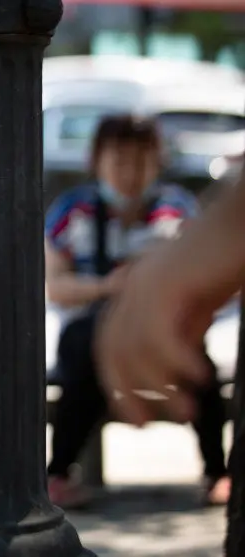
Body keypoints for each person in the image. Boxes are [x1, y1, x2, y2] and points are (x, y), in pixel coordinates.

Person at [44, 114, 229, 508]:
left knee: (201, 369)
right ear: (97, 161)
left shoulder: (177, 210)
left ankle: (217, 471)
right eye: (120, 160)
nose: (130, 172)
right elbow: (54, 286)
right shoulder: (70, 211)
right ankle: (57, 475)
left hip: (165, 332)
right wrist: (108, 288)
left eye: (141, 160)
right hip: (87, 336)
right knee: (85, 358)